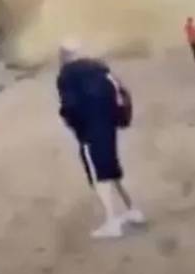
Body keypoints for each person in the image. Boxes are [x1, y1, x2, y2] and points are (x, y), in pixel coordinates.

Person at [56, 41, 145, 240]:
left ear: (63, 56)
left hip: (89, 132)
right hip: (109, 127)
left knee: (99, 177)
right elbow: (119, 95)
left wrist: (75, 127)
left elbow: (70, 106)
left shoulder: (67, 76)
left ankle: (111, 222)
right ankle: (133, 211)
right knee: (113, 170)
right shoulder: (101, 70)